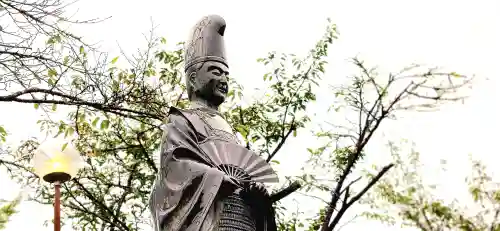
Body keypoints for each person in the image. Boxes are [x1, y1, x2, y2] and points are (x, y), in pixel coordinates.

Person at [149, 15, 277, 231]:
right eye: (216, 72)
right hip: (210, 219)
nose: (224, 80)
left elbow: (245, 172)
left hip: (240, 218)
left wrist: (256, 191)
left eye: (227, 75)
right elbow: (174, 168)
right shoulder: (182, 119)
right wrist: (218, 178)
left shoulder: (233, 131)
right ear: (192, 79)